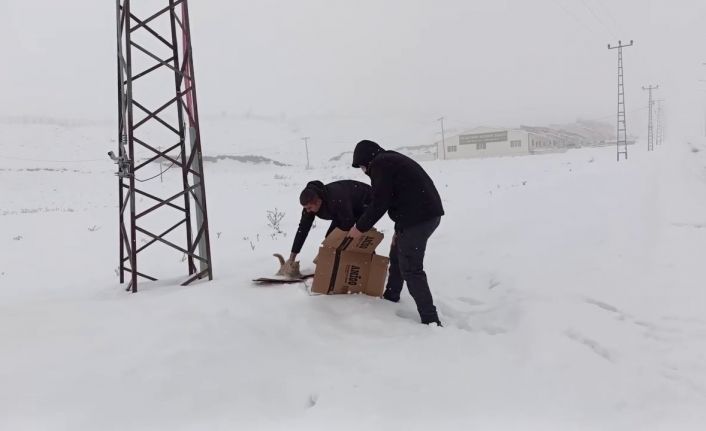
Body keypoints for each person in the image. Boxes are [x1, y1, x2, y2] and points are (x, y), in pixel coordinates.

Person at [348, 140, 444, 325]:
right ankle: (392, 296)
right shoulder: (389, 161)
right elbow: (401, 196)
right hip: (419, 215)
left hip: (420, 218)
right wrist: (399, 230)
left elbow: (380, 203)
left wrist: (359, 227)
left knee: (411, 268)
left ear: (366, 160)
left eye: (361, 166)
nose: (363, 170)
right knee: (397, 255)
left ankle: (430, 320)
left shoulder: (380, 164)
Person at [287, 180, 372, 265]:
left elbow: (347, 223)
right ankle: (331, 263)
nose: (307, 211)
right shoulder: (309, 205)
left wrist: (326, 250)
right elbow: (303, 229)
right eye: (305, 208)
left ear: (318, 202)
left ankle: (369, 262)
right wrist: (292, 256)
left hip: (365, 199)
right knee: (330, 237)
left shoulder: (337, 199)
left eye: (309, 208)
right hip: (345, 207)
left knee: (359, 235)